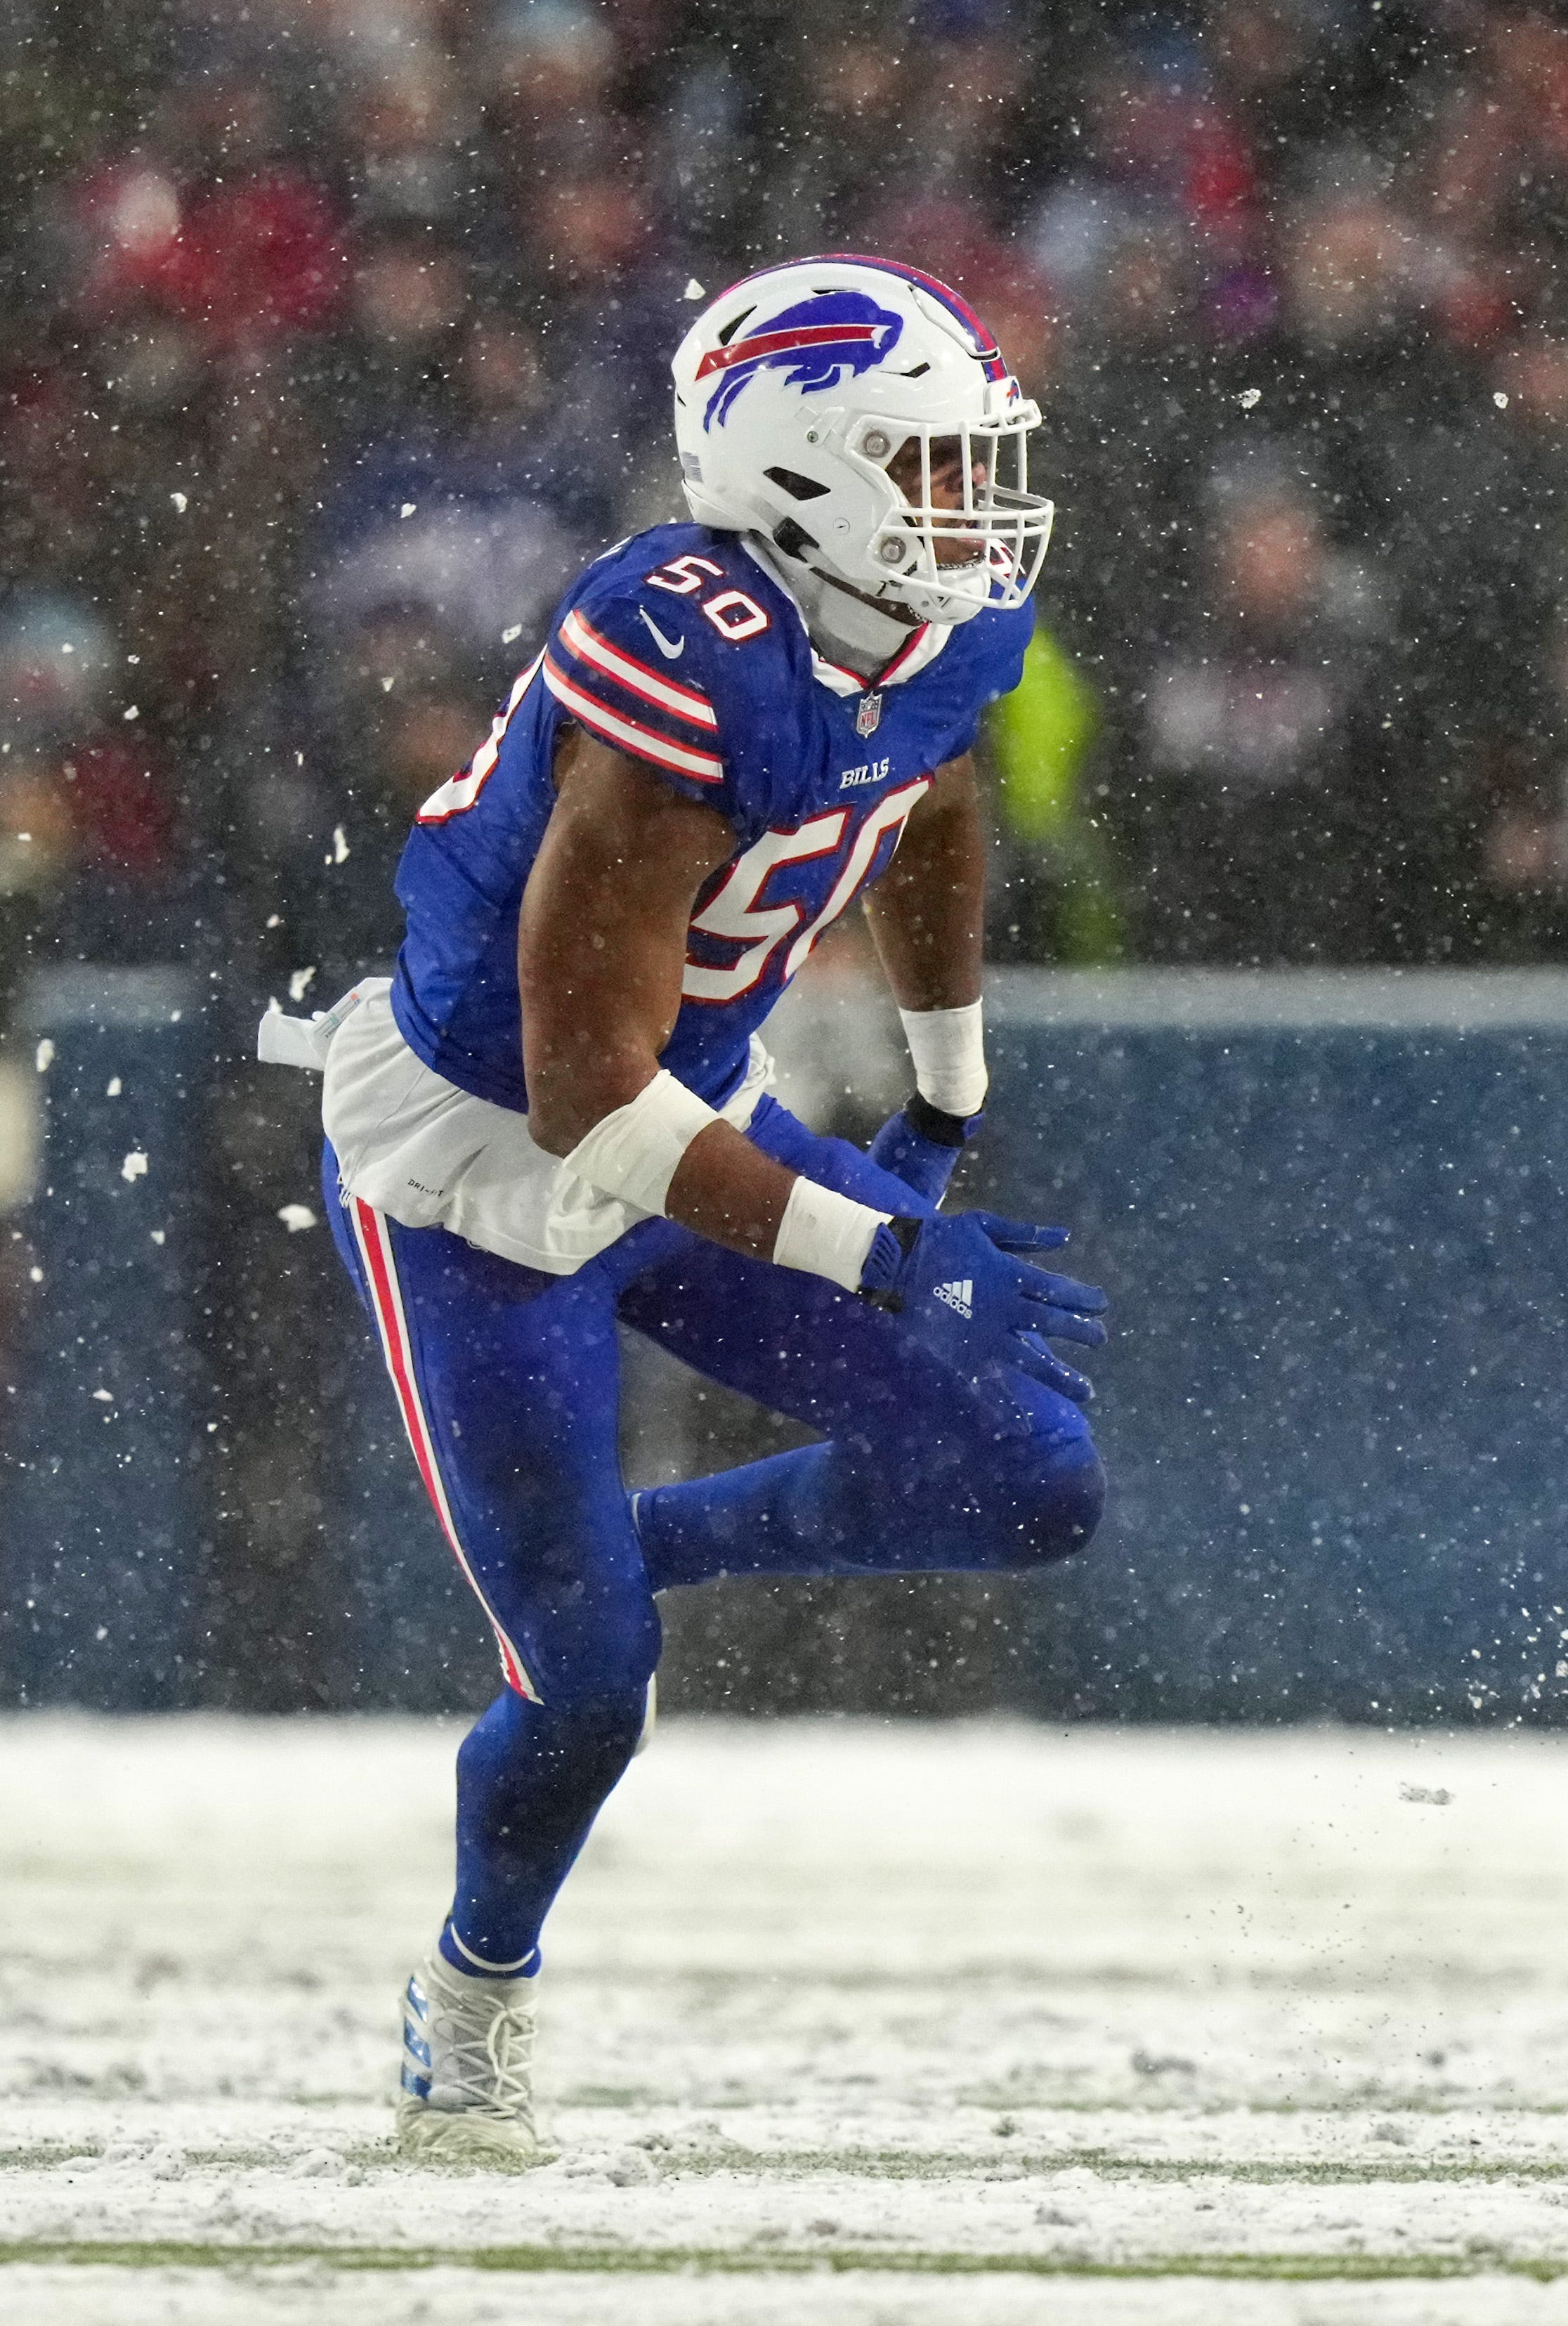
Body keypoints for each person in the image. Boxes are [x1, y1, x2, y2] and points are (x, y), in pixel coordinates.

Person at [256, 256, 1112, 2166]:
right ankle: (475, 1993)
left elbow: (935, 802)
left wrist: (951, 1080)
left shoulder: (933, 629)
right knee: (587, 1699)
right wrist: (878, 1247)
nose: (977, 501)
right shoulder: (676, 651)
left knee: (1030, 1477)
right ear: (803, 465)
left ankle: (611, 1561)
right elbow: (580, 1098)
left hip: (688, 1111)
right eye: (934, 457)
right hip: (482, 1162)